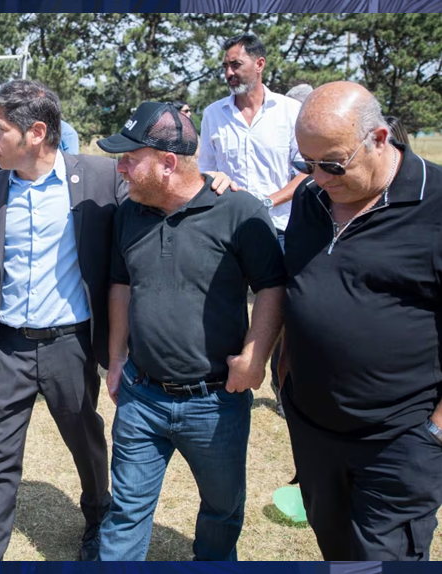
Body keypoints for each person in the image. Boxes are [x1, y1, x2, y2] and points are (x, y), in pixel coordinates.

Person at [97, 102, 286, 561]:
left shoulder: (239, 210)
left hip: (215, 403)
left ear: (166, 164)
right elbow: (122, 285)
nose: (119, 169)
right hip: (142, 396)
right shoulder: (129, 213)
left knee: (222, 510)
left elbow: (272, 286)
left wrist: (255, 358)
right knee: (124, 510)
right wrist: (118, 357)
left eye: (128, 158)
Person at [0, 79, 122, 561]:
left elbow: (162, 190)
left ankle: (97, 515)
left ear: (37, 132)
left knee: (85, 441)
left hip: (70, 346)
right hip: (7, 348)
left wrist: (215, 183)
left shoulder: (98, 176)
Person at [280, 81, 442, 561]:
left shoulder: (436, 206)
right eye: (305, 165)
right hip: (313, 430)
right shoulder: (311, 199)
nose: (318, 177)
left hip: (398, 441)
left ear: (380, 138)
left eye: (331, 164)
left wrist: (434, 432)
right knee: (335, 549)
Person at [198, 32, 304, 419]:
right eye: (225, 66)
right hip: (227, 227)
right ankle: (222, 374)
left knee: (281, 309)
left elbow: (306, 175)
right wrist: (217, 180)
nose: (228, 72)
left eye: (235, 64)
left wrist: (268, 200)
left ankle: (282, 388)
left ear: (259, 64)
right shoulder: (213, 113)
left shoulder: (291, 112)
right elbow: (205, 167)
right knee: (223, 301)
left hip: (278, 225)